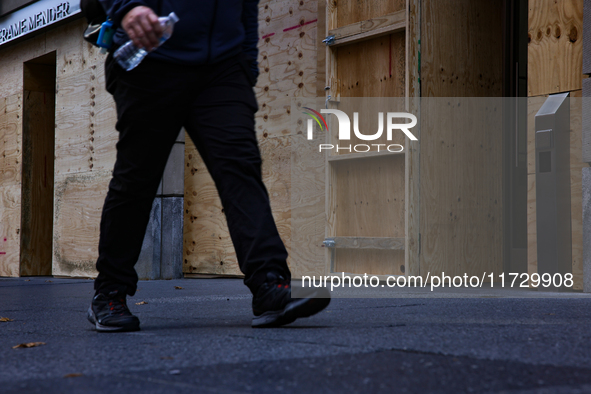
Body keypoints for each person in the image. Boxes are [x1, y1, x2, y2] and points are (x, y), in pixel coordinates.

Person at [86, 0, 330, 332]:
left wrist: (246, 65)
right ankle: (109, 292)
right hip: (150, 59)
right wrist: (126, 7)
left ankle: (269, 285)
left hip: (223, 68)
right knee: (136, 178)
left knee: (240, 169)